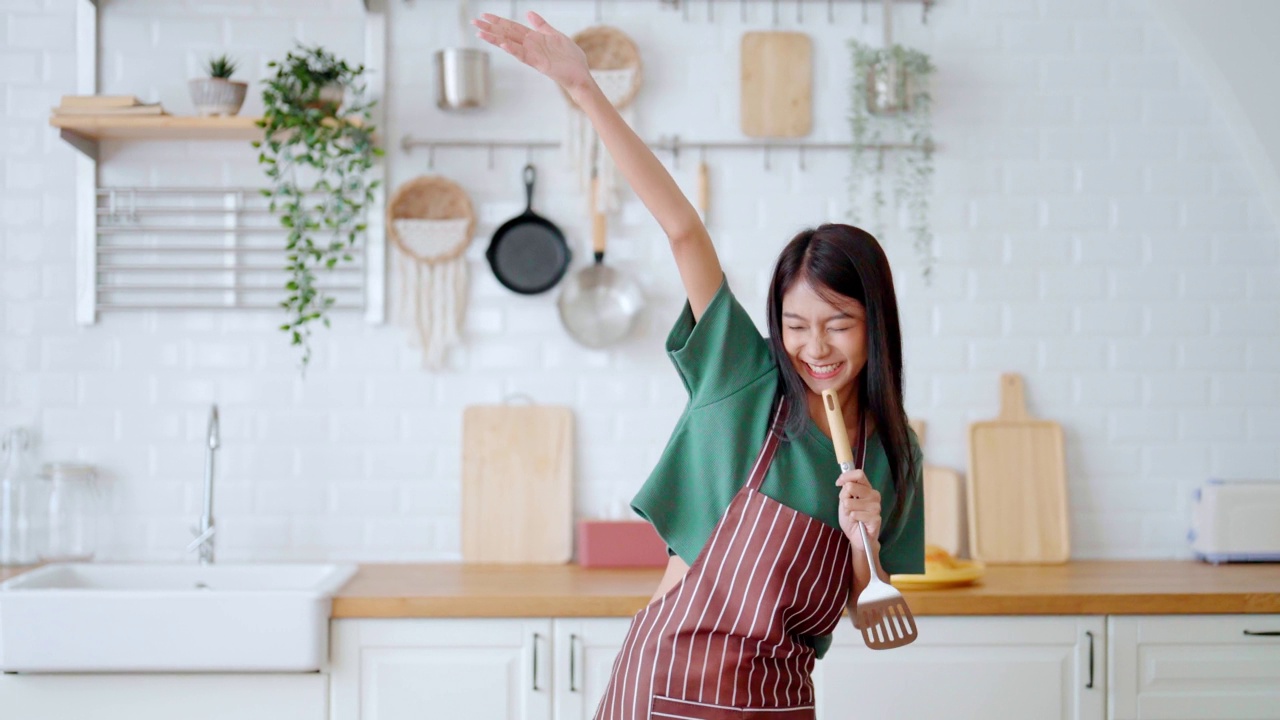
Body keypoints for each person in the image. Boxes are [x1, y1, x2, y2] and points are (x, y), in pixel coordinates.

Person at [474, 11, 924, 720]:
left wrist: (862, 536)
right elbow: (684, 230)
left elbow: (875, 619)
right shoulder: (745, 378)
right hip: (668, 684)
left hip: (778, 700)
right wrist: (585, 89)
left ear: (876, 327)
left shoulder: (892, 452)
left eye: (839, 324)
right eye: (796, 325)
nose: (815, 348)